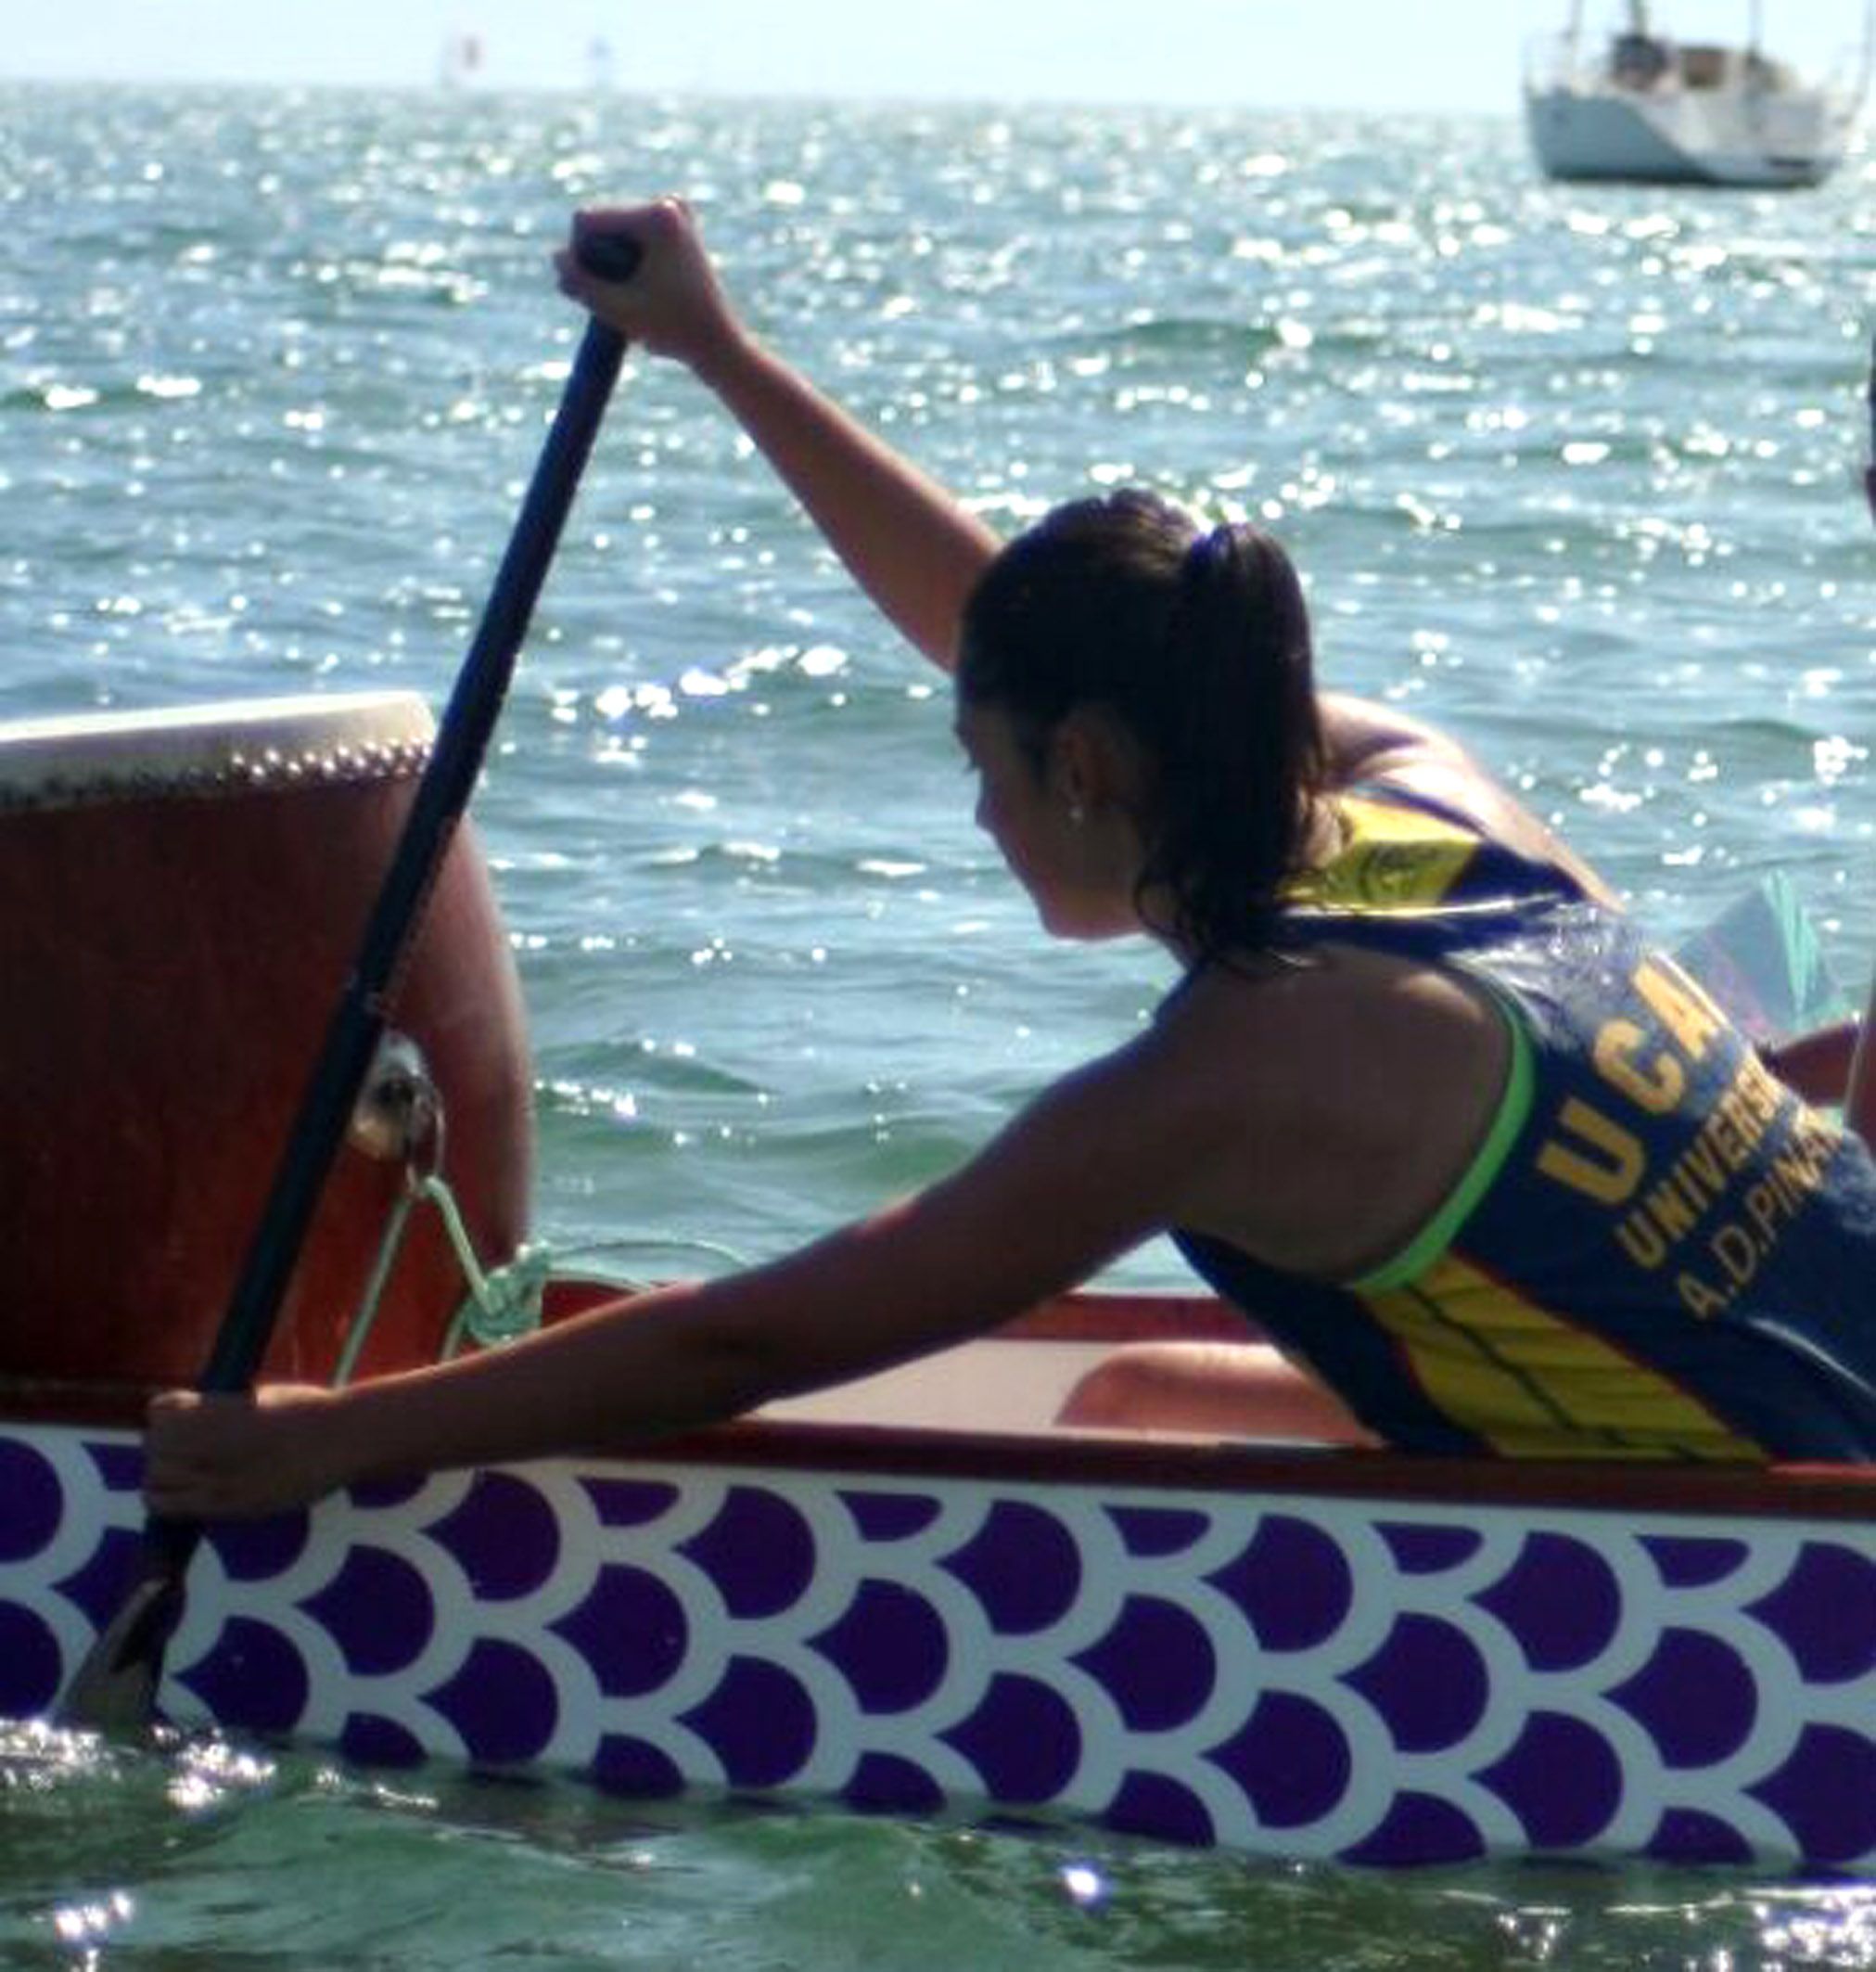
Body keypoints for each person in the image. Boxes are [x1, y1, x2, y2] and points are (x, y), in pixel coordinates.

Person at [146, 200, 1876, 1520]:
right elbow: (994, 618)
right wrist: (721, 354)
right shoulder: (1425, 787)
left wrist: (312, 1447)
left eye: (982, 767)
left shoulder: (1227, 1076)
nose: (975, 817)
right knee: (1128, 1395)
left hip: (1790, 1554)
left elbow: (756, 1338)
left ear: (1092, 763)